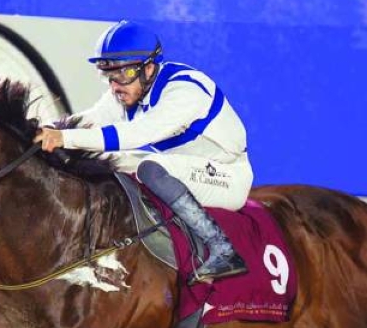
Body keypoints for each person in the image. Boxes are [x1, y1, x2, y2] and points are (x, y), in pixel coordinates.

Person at [36, 20, 251, 283]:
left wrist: (64, 137)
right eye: (108, 76)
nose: (115, 86)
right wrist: (44, 130)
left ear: (149, 68)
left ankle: (223, 248)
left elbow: (135, 135)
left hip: (227, 177)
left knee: (149, 167)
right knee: (109, 162)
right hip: (182, 168)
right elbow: (91, 120)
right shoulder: (129, 92)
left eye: (123, 75)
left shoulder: (185, 89)